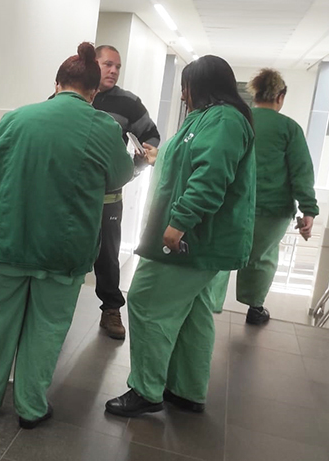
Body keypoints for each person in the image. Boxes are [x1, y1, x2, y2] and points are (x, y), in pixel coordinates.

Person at [0, 42, 134, 429]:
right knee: (48, 326)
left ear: (57, 84)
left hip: (8, 239)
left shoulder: (16, 119)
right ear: (93, 92)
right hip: (62, 248)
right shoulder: (104, 128)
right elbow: (120, 176)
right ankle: (31, 406)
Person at [105, 55, 256, 417]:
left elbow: (211, 176)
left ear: (202, 85)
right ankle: (187, 389)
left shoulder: (224, 120)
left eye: (186, 86)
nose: (183, 94)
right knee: (194, 314)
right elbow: (191, 161)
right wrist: (160, 155)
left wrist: (179, 223)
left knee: (146, 301)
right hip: (200, 240)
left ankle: (145, 390)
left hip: (192, 239)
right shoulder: (206, 118)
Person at [210, 69, 319, 323]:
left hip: (232, 204)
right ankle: (255, 308)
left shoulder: (238, 120)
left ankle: (209, 305)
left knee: (221, 253)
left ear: (255, 94)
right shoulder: (289, 128)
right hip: (272, 210)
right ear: (280, 96)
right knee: (262, 258)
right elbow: (301, 171)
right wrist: (308, 209)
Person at [91, 45, 161, 339]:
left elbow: (151, 135)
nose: (113, 71)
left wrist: (143, 156)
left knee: (107, 257)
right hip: (70, 196)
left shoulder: (129, 103)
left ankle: (111, 309)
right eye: (108, 64)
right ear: (93, 64)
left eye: (117, 66)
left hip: (108, 197)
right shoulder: (74, 96)